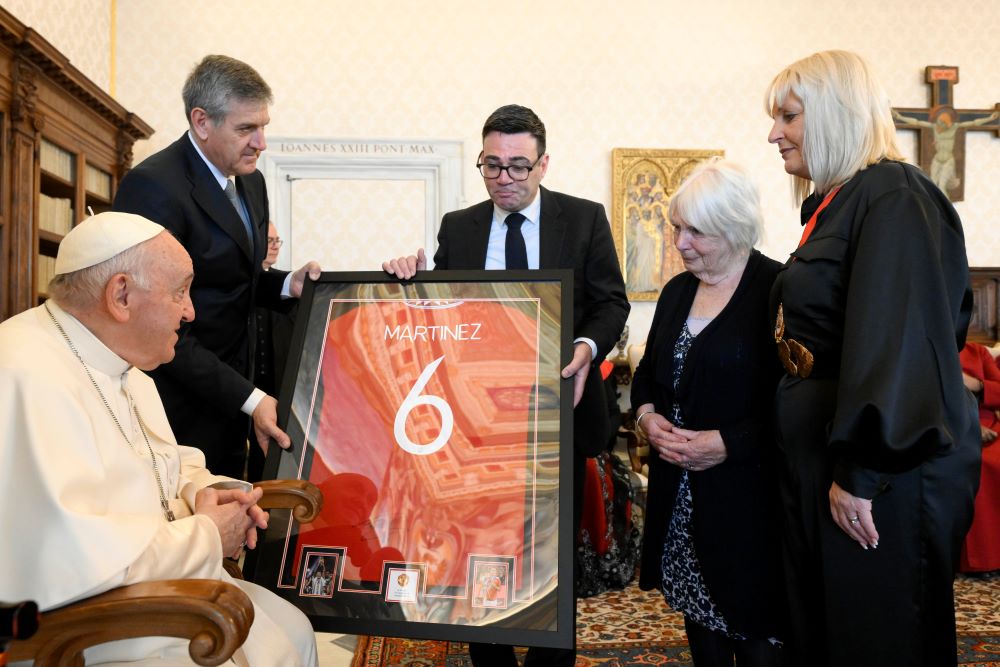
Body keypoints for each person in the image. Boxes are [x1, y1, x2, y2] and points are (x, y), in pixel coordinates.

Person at [0, 212, 317, 666]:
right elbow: (73, 560)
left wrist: (205, 490)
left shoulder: (122, 359)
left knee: (292, 629)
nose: (191, 311)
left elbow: (161, 461)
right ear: (121, 295)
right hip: (92, 625)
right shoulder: (24, 374)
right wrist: (208, 534)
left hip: (158, 584)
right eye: (180, 291)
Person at [383, 104, 629, 667]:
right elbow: (443, 314)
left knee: (554, 553)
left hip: (557, 415)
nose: (505, 179)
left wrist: (587, 349)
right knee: (480, 549)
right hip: (477, 422)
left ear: (543, 164)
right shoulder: (459, 227)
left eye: (519, 166)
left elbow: (612, 302)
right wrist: (409, 277)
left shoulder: (585, 218)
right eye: (492, 166)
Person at [765, 50, 980, 666]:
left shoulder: (895, 196)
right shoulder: (842, 200)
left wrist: (860, 469)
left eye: (789, 116)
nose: (773, 133)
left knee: (878, 637)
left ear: (833, 113)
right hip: (835, 462)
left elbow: (901, 340)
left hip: (882, 473)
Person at [113, 55, 320, 479]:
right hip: (179, 405)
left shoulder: (252, 181)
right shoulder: (153, 187)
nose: (261, 142)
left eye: (263, 126)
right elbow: (153, 322)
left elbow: (235, 279)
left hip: (236, 394)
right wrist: (248, 397)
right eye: (246, 129)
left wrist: (286, 285)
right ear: (202, 121)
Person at [630, 160, 785, 666]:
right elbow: (649, 376)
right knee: (703, 632)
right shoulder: (678, 291)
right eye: (677, 227)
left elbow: (797, 405)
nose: (680, 243)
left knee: (758, 638)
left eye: (696, 231)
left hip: (751, 504)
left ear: (735, 228)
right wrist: (647, 416)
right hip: (680, 498)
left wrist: (730, 443)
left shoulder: (777, 291)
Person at [958, 341, 1000, 572]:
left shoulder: (977, 351)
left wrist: (977, 384)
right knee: (984, 464)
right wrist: (971, 426)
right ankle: (982, 560)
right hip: (954, 428)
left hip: (989, 424)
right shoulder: (922, 347)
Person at [891, 108, 1000, 193]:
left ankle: (944, 216)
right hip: (937, 159)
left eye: (942, 123)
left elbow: (974, 123)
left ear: (947, 122)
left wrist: (990, 119)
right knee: (931, 187)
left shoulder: (954, 127)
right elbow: (916, 122)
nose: (940, 125)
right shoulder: (935, 127)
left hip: (948, 160)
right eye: (938, 122)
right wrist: (900, 117)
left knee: (942, 187)